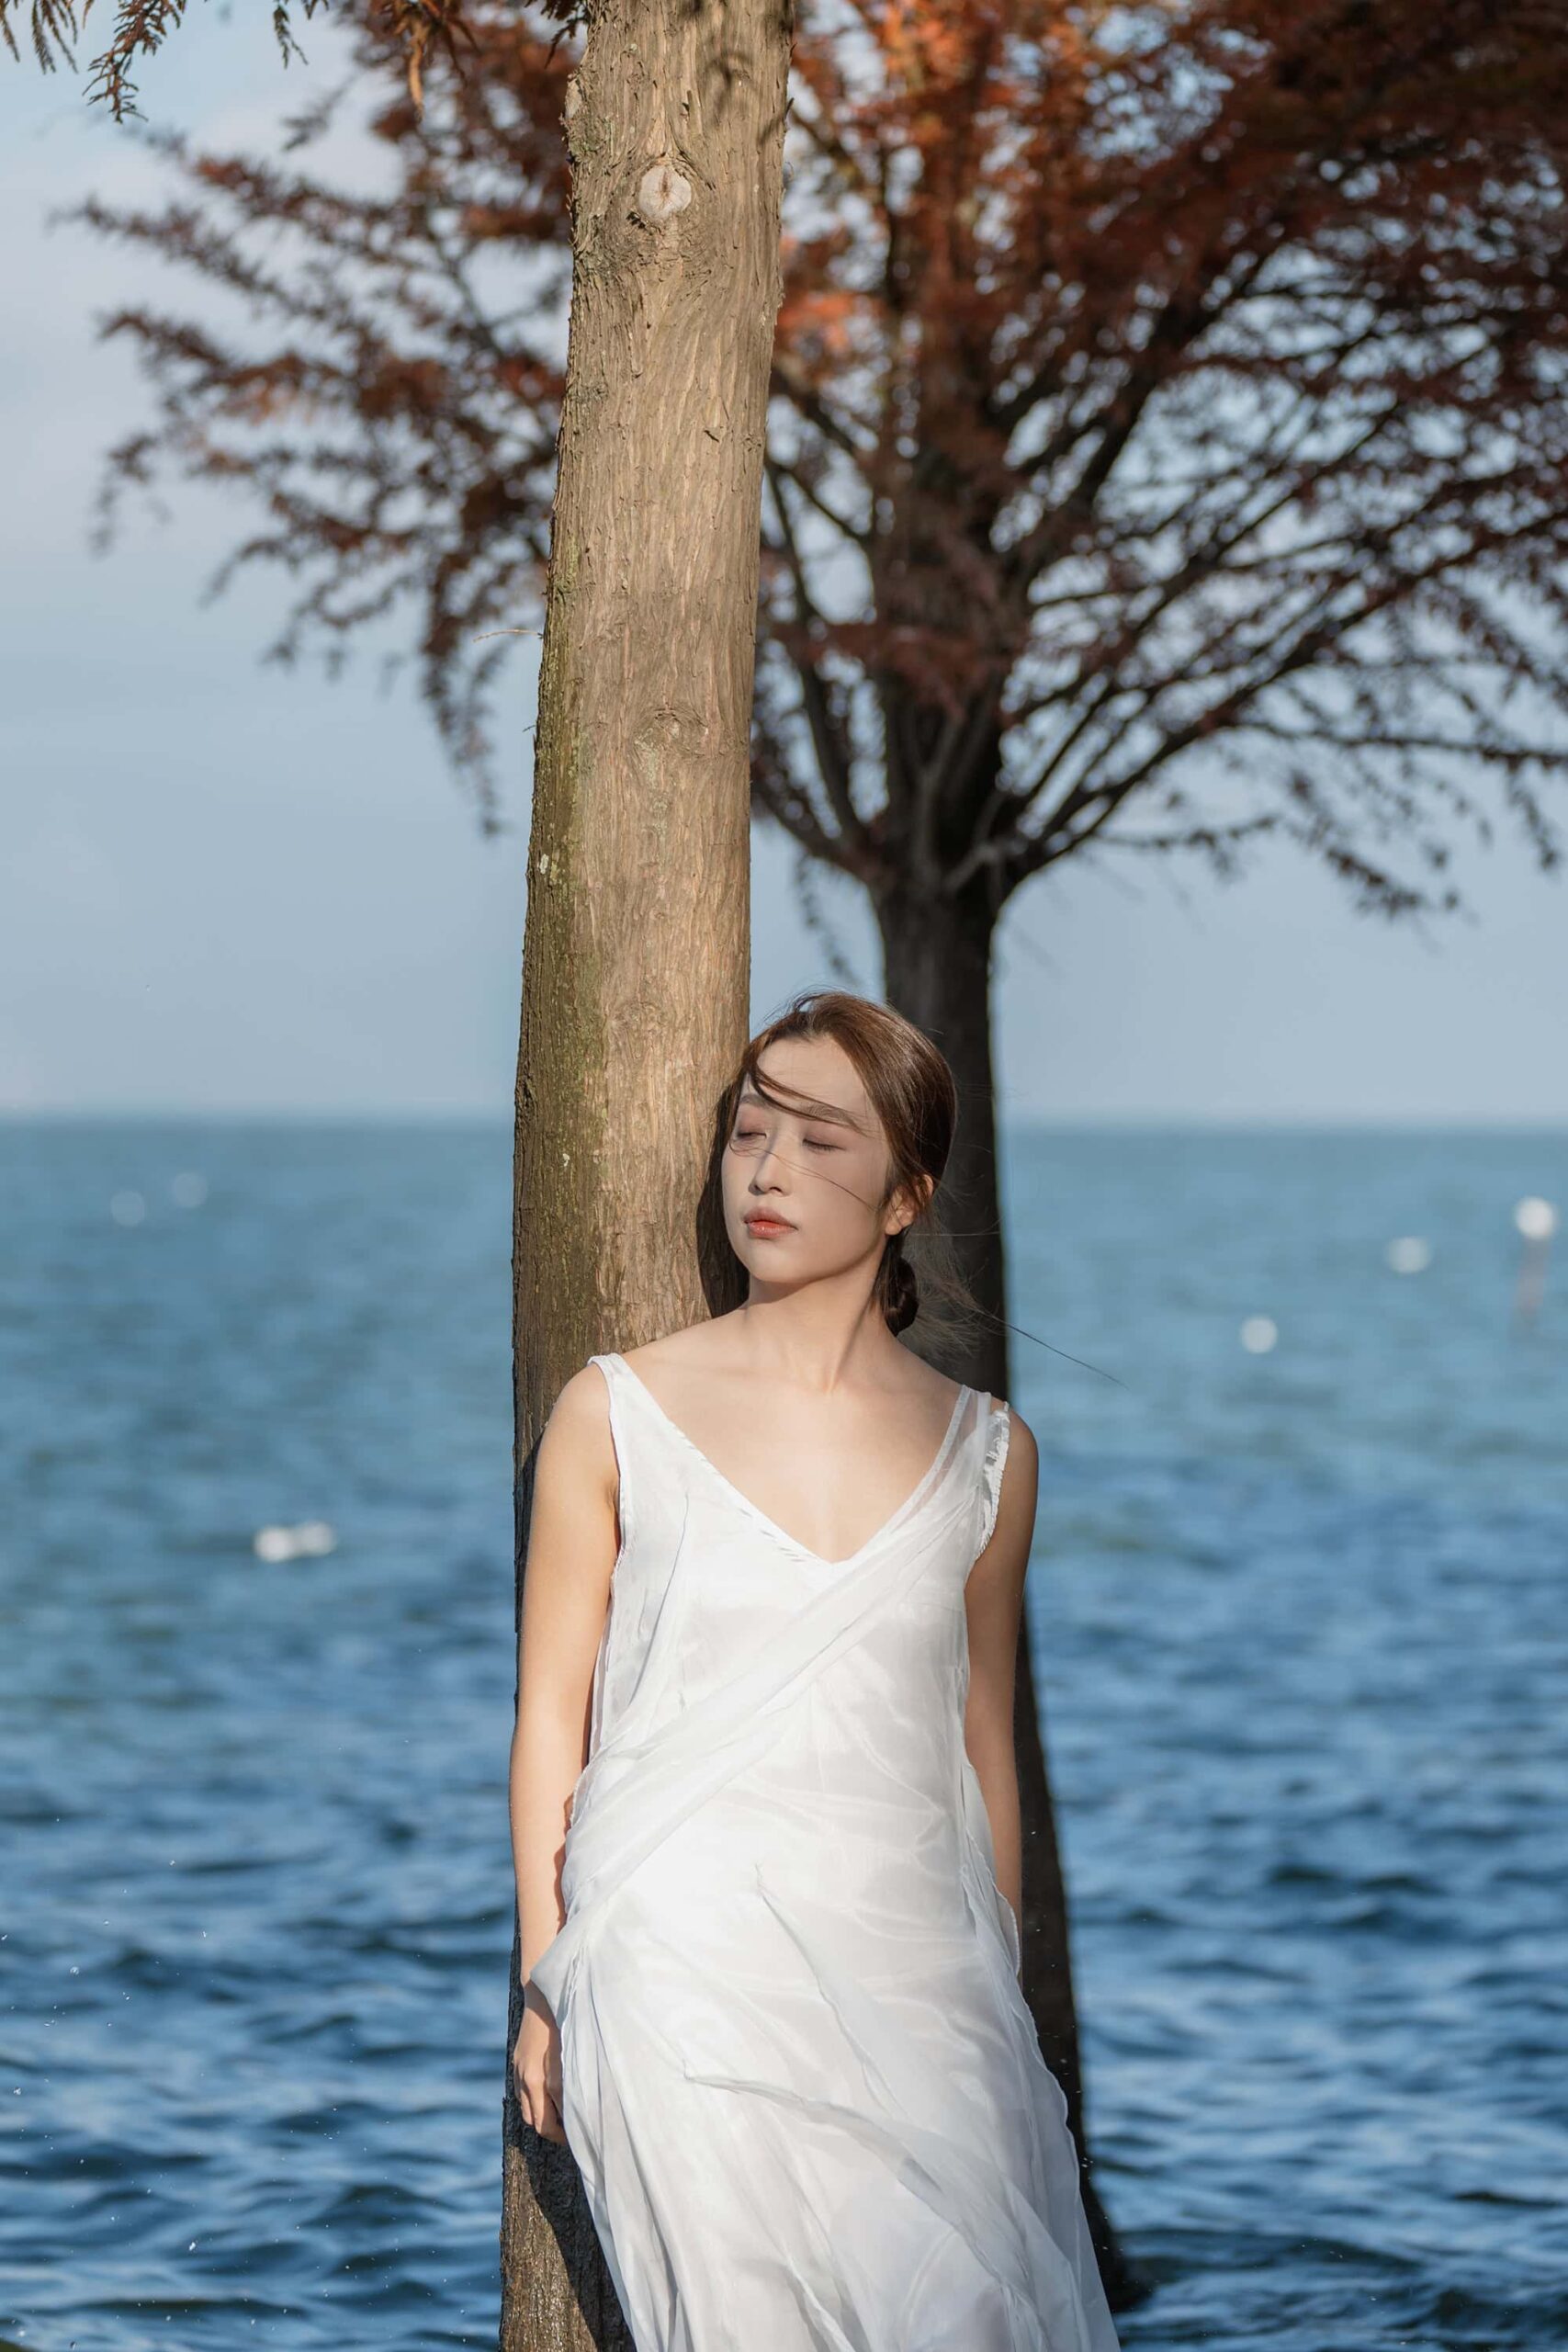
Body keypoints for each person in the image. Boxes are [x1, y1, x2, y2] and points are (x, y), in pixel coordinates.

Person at [509, 989, 1121, 2351]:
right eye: (750, 1130)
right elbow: (552, 1710)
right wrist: (550, 1978)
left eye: (821, 1141)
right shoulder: (614, 1412)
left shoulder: (990, 1456)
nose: (770, 1171)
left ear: (905, 1194)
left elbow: (981, 1746)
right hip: (678, 1963)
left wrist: (998, 2016)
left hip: (916, 1980)